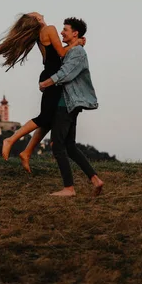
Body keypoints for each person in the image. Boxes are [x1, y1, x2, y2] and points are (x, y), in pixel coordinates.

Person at [0, 12, 83, 173]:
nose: (41, 13)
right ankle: (10, 139)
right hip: (52, 79)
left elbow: (55, 56)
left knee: (49, 119)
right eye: (37, 14)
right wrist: (77, 43)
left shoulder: (40, 35)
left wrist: (74, 45)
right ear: (37, 19)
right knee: (45, 117)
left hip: (49, 75)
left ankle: (26, 152)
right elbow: (62, 54)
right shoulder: (49, 29)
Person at [39, 17, 104, 197]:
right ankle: (96, 180)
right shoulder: (73, 50)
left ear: (75, 33)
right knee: (70, 146)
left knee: (56, 144)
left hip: (65, 104)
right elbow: (61, 55)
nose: (61, 33)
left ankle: (69, 188)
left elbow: (65, 73)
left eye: (65, 30)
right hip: (69, 103)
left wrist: (46, 83)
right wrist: (43, 24)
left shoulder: (78, 53)